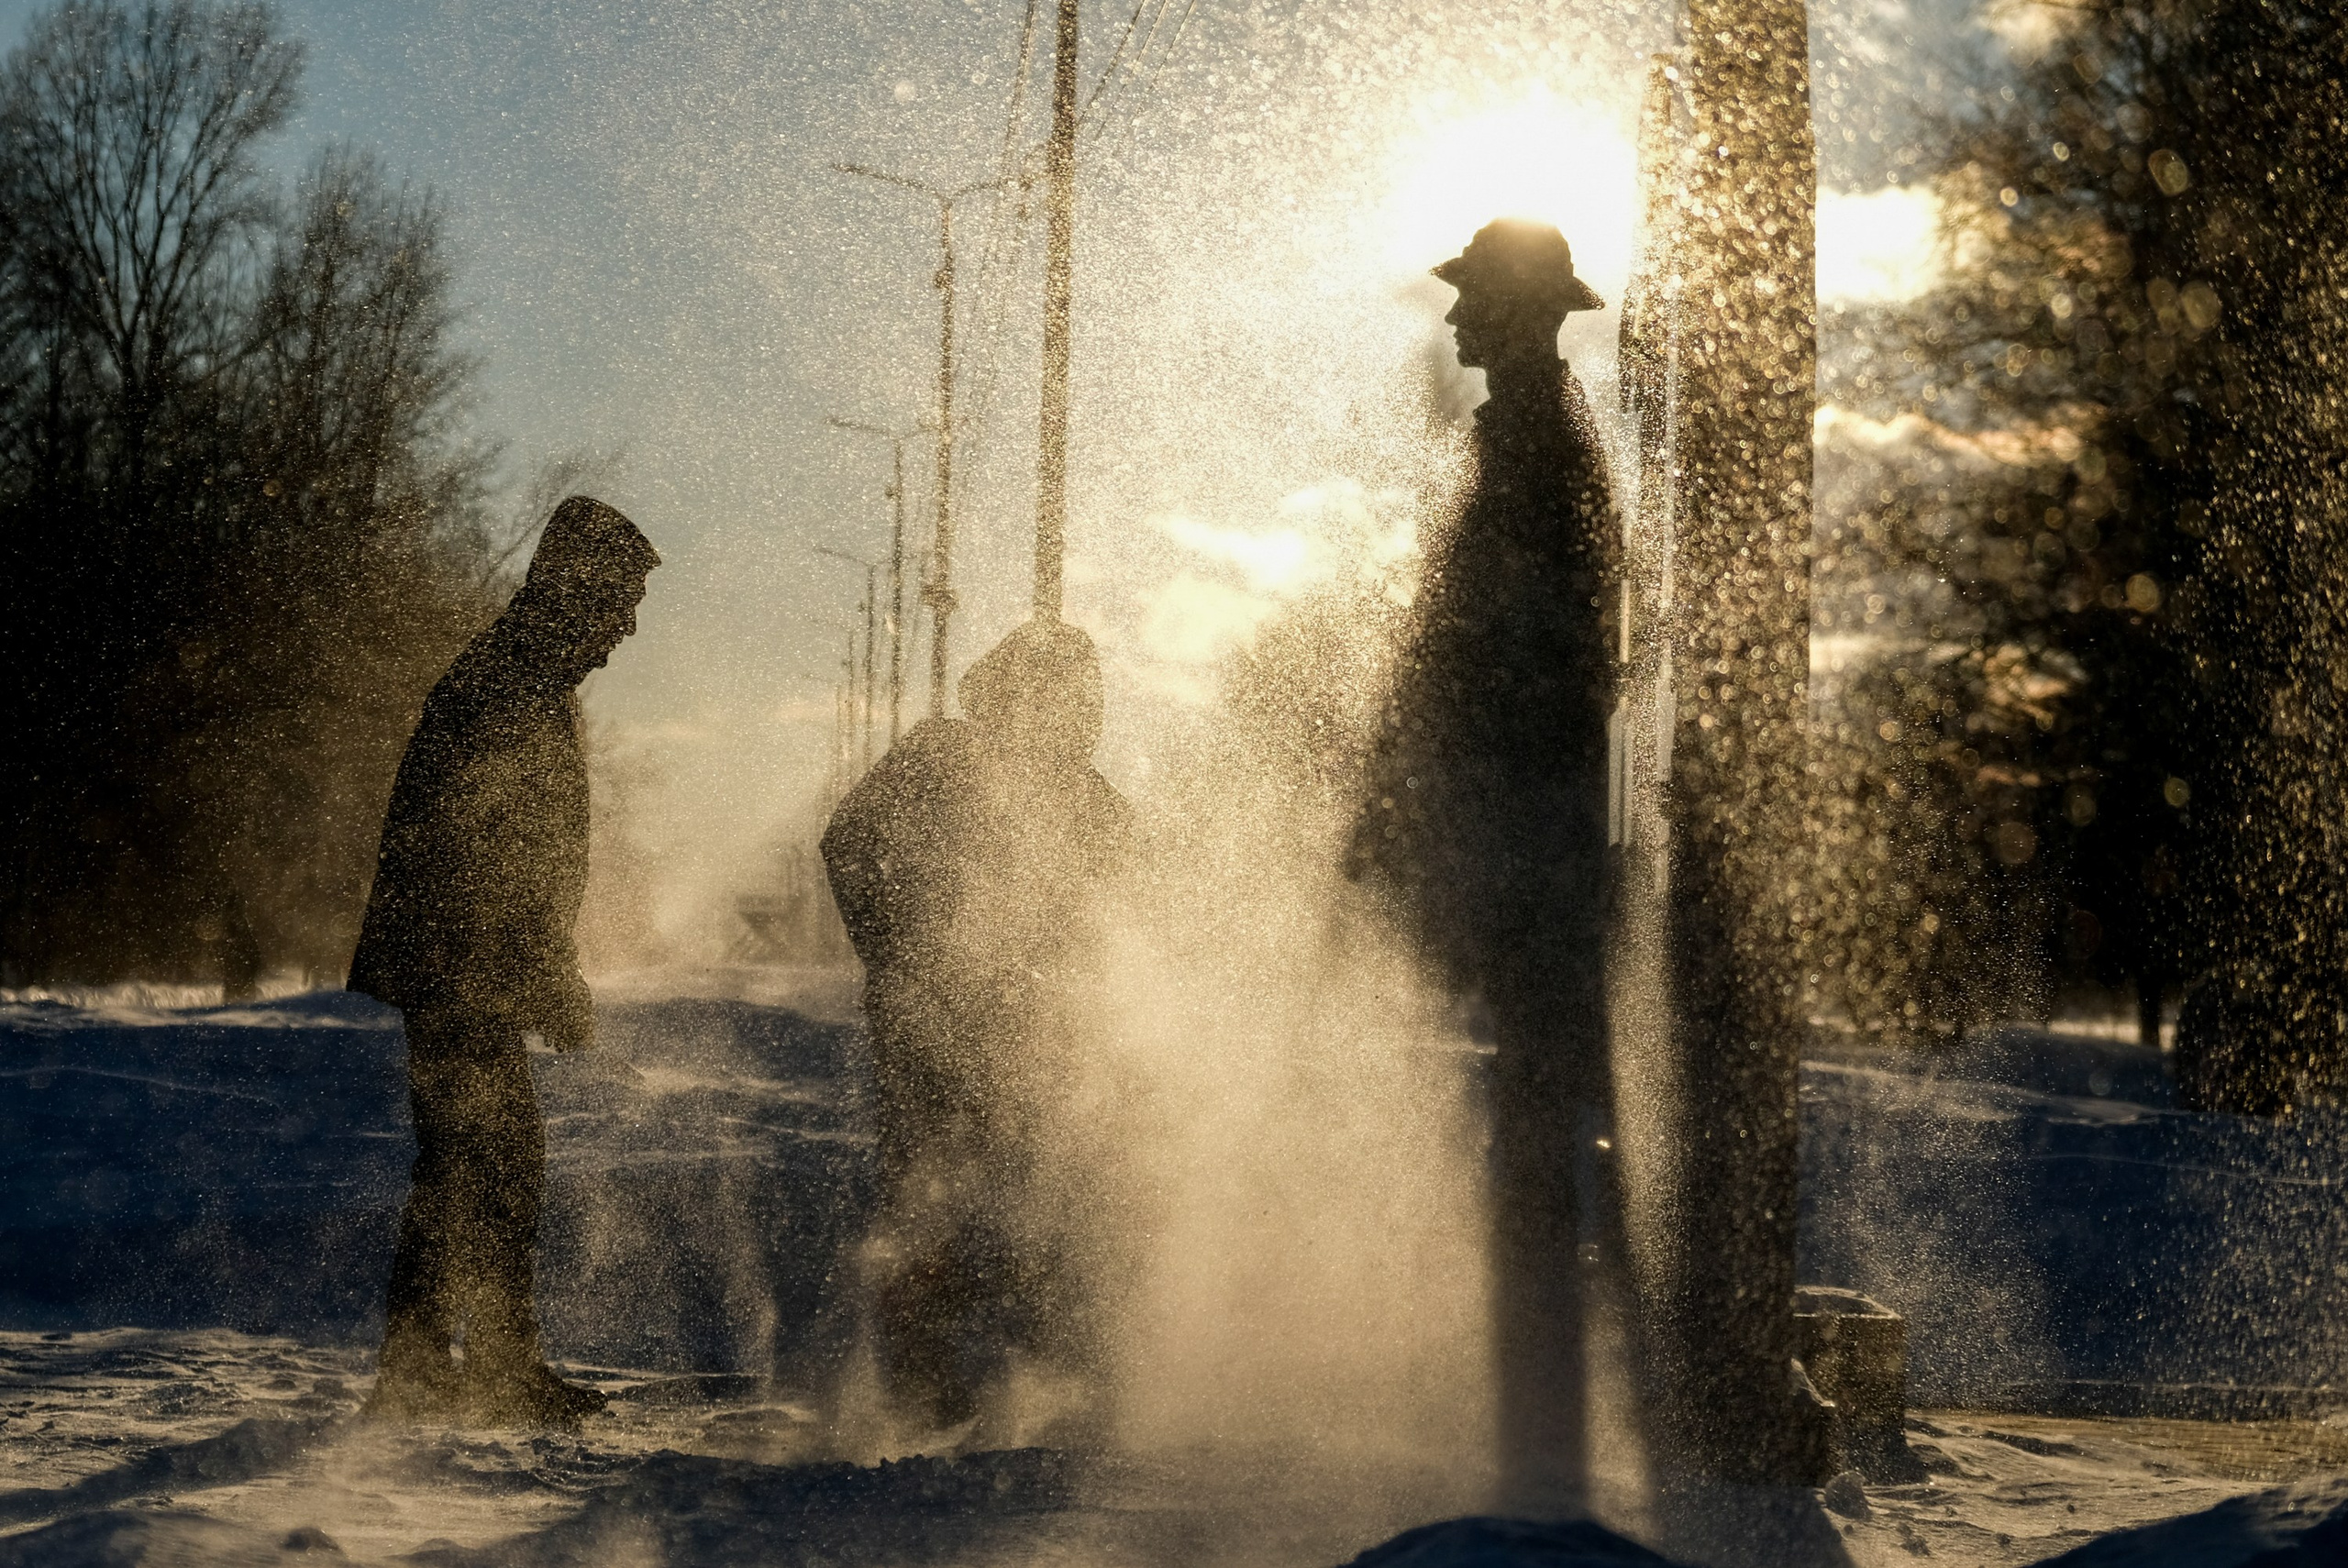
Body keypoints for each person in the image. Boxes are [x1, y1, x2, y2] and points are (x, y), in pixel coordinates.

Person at [1347, 218, 1622, 1494]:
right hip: (1517, 825)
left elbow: (1499, 653)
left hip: (1524, 833)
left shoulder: (1536, 447)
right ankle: (1528, 1401)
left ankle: (1539, 1436)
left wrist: (1420, 792)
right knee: (1538, 1099)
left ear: (1525, 317)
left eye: (1473, 304)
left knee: (1537, 1107)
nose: (1454, 323)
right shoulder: (1528, 439)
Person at [350, 495, 659, 1427]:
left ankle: (429, 1372)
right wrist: (540, 972)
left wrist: (536, 965)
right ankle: (476, 1371)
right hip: (459, 968)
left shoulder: (522, 676)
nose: (628, 626)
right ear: (579, 590)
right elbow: (490, 854)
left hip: (462, 965)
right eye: (622, 600)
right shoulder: (507, 685)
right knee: (486, 1161)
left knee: (467, 1164)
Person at [821, 616, 1130, 1435]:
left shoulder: (1083, 794)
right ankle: (921, 1394)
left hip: (1036, 1038)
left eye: (1091, 697)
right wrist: (897, 957)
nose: (1086, 711)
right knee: (928, 1201)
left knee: (1043, 1197)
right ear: (1025, 692)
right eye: (1073, 693)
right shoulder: (940, 757)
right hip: (928, 1027)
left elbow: (1136, 903)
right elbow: (848, 842)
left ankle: (1041, 1382)